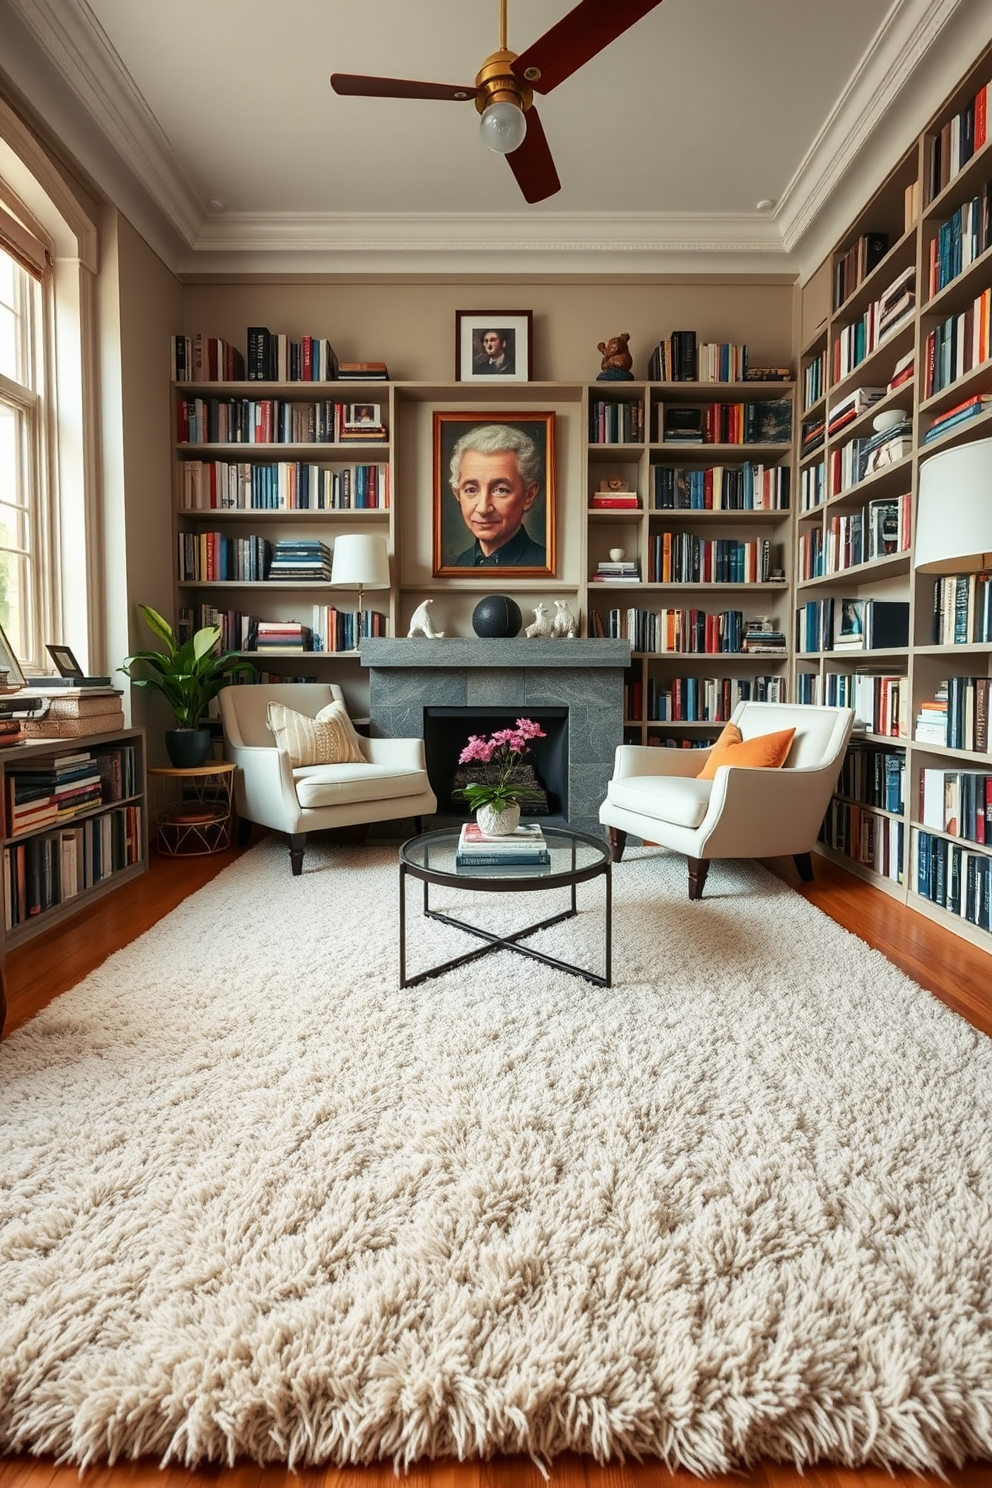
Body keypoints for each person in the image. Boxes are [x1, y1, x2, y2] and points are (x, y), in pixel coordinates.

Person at [448, 424, 547, 568]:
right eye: (471, 490)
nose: (483, 509)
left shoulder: (543, 564)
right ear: (457, 493)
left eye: (500, 490)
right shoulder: (454, 568)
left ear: (529, 494)